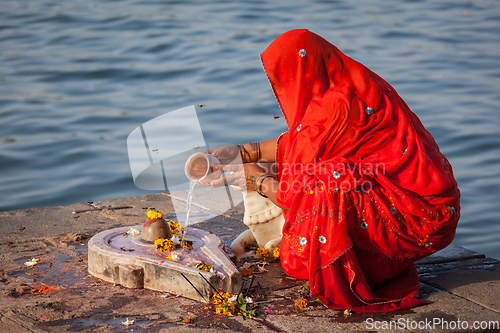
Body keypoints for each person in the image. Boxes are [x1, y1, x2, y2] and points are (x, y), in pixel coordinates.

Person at [204, 29, 460, 313]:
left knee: (325, 188)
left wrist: (257, 179)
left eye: (286, 78)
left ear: (304, 71)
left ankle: (371, 263)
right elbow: (306, 140)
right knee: (327, 172)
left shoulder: (336, 107)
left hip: (418, 219)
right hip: (427, 206)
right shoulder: (350, 85)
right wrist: (243, 152)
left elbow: (299, 193)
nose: (284, 89)